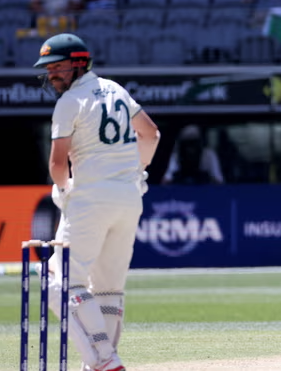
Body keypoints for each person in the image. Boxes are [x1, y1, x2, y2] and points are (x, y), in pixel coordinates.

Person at [33, 33, 160, 370]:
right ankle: (102, 362)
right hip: (129, 198)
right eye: (49, 69)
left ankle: (104, 358)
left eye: (58, 67)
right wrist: (138, 170)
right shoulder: (116, 89)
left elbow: (58, 165)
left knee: (60, 281)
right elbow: (151, 134)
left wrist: (63, 190)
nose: (52, 75)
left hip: (90, 198)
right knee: (108, 288)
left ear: (79, 64)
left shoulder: (69, 102)